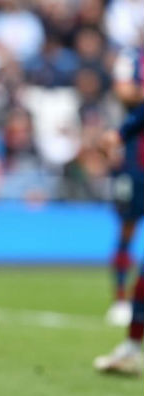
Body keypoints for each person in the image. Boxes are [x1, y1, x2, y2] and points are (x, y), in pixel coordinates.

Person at [94, 103, 144, 376]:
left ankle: (132, 348)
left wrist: (120, 133)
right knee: (126, 232)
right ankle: (131, 346)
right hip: (137, 171)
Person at [103, 47, 144, 327]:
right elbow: (124, 92)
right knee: (127, 226)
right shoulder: (131, 57)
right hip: (134, 157)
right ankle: (119, 299)